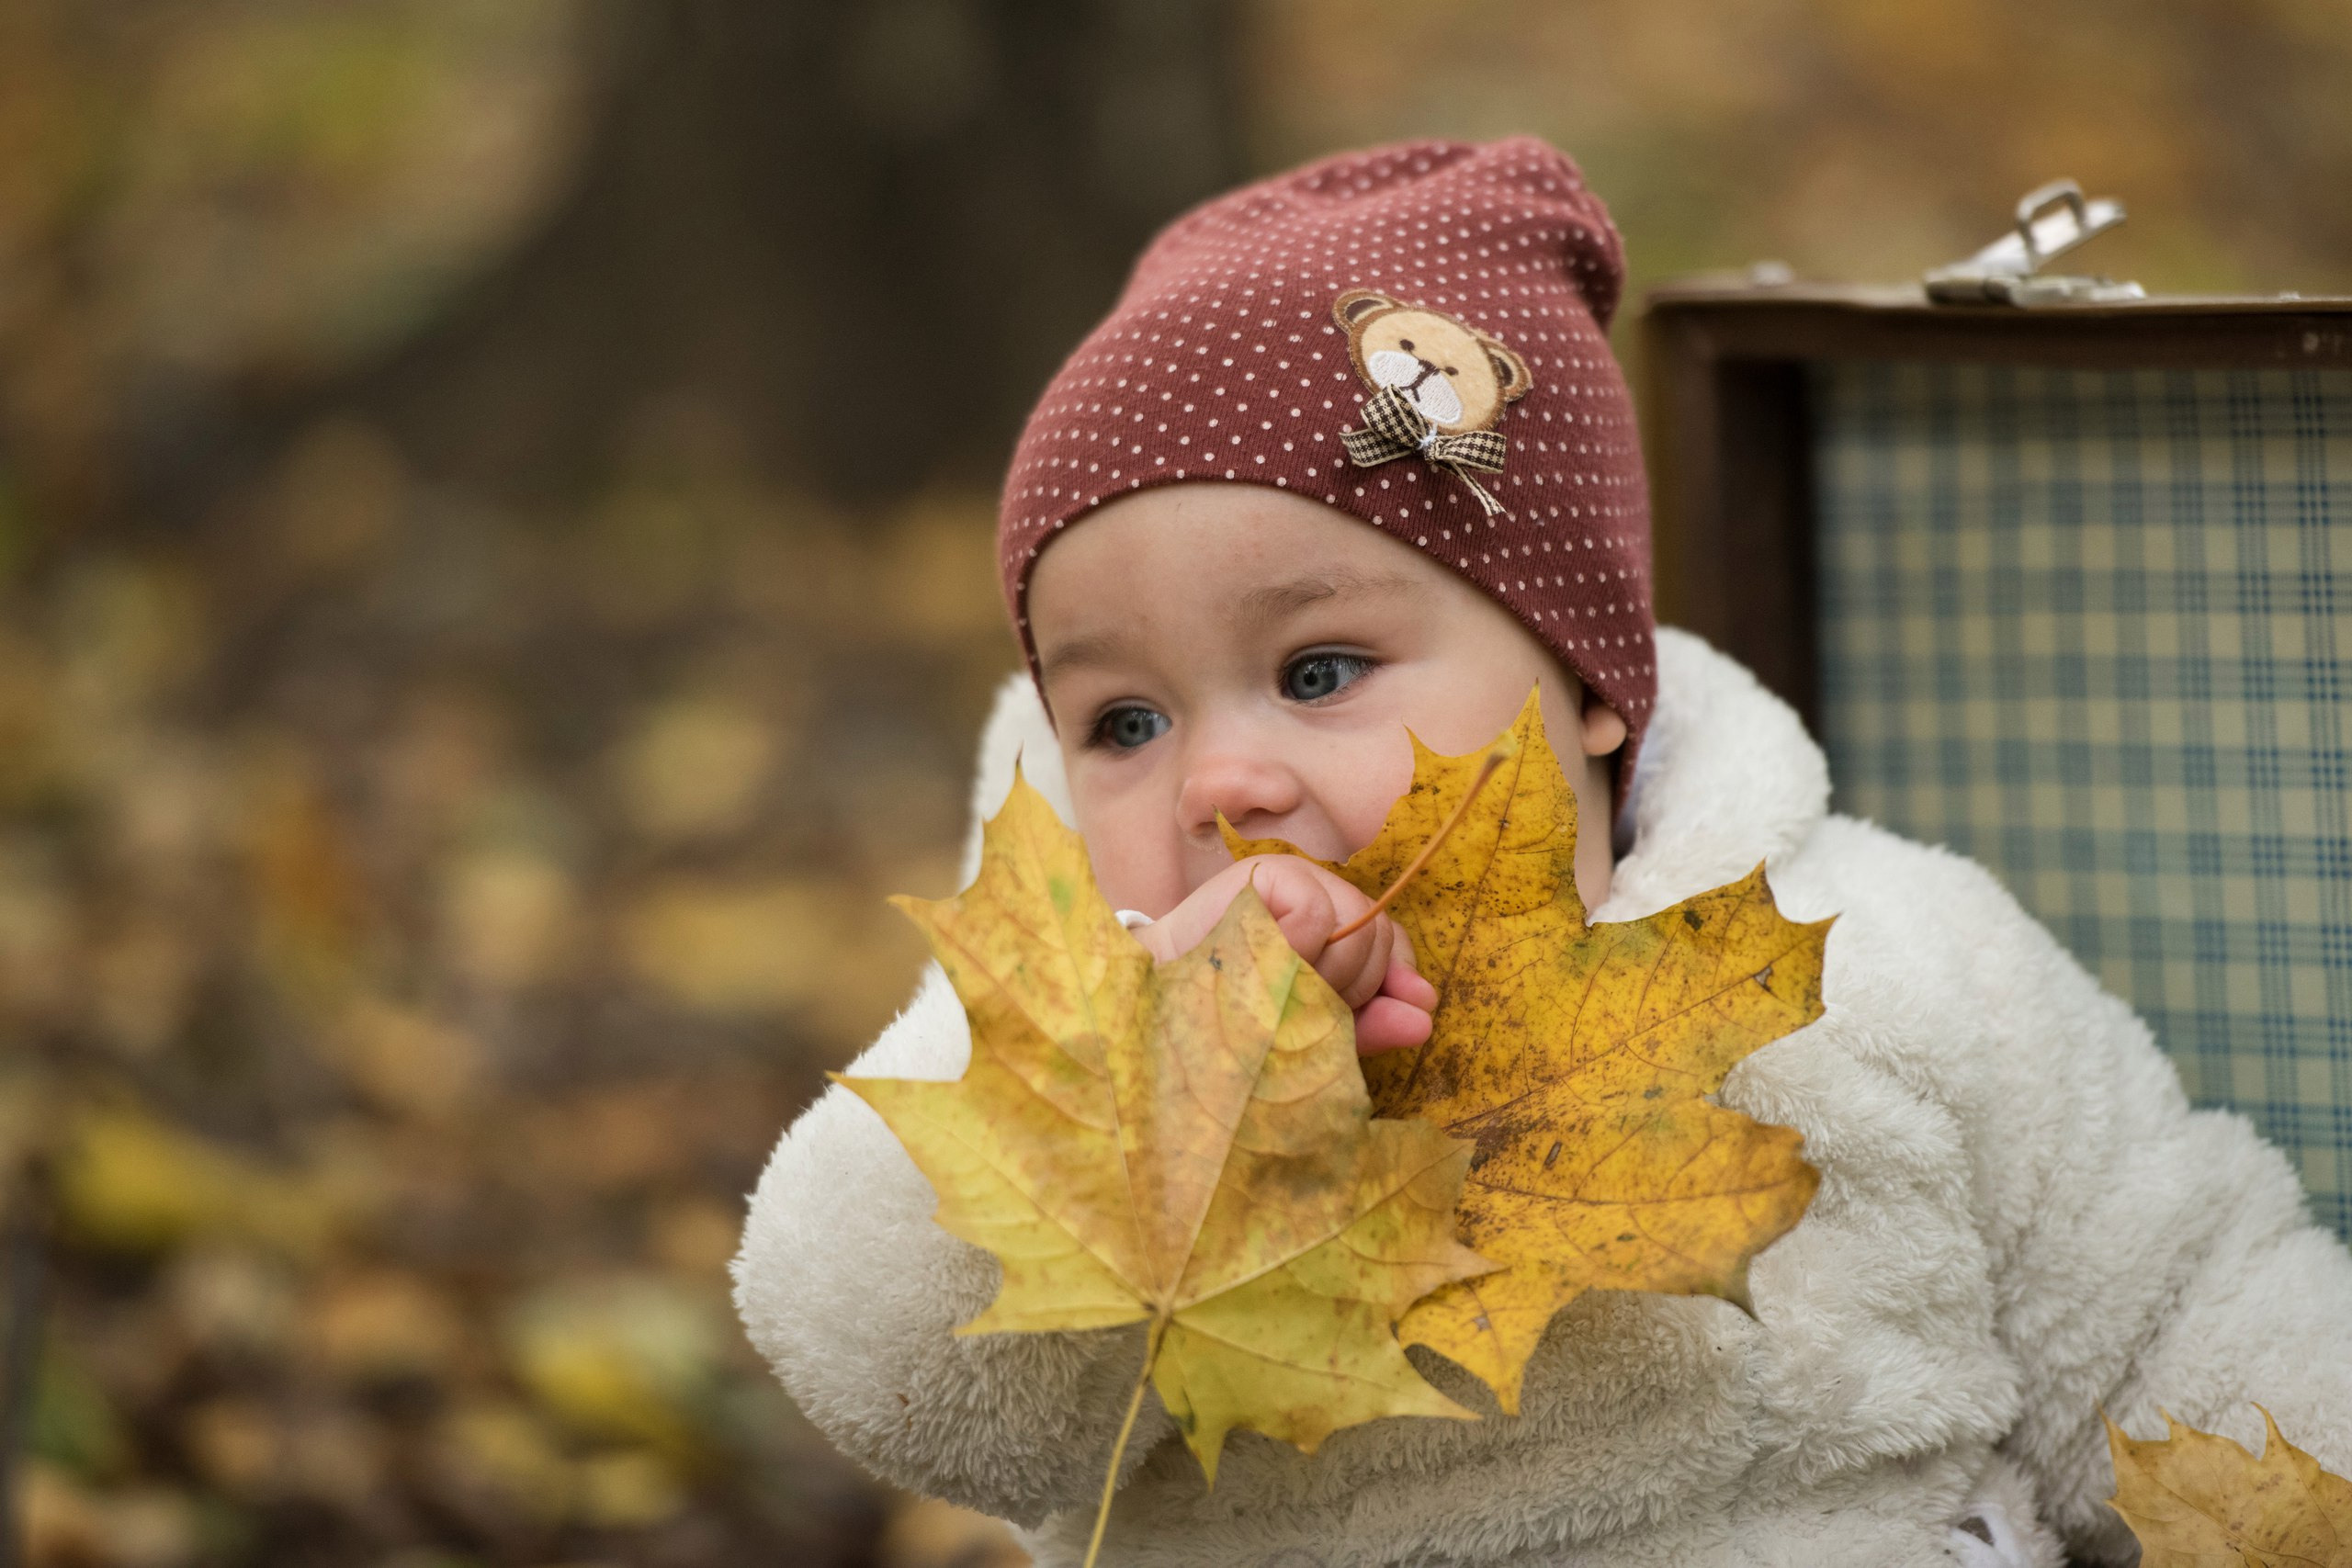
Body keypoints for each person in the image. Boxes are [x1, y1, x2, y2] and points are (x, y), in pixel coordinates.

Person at [732, 139, 2352, 1568]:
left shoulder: (1873, 949)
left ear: (1585, 680)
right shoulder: (1060, 1037)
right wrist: (1155, 1100)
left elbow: (2170, 1302)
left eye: (1316, 675)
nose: (1224, 782)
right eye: (1125, 724)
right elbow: (901, 1379)